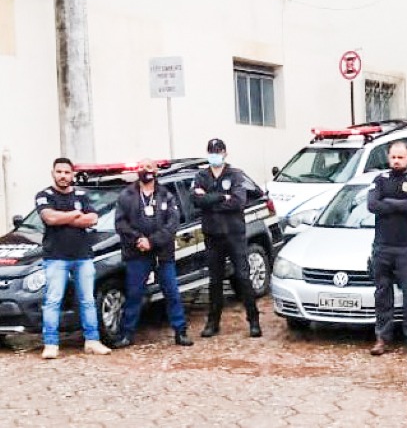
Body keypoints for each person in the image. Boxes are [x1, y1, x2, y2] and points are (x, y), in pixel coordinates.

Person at [35, 158, 112, 359]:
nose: (63, 176)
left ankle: (92, 341)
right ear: (53, 173)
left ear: (72, 174)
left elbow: (93, 218)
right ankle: (51, 344)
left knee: (87, 300)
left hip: (83, 256)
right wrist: (76, 215)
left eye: (66, 172)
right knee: (53, 301)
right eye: (59, 171)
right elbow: (49, 218)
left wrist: (64, 218)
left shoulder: (81, 194)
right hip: (56, 257)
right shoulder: (44, 195)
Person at [112, 159, 194, 348]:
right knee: (134, 294)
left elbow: (172, 224)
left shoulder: (166, 195)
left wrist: (152, 241)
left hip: (163, 253)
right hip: (136, 252)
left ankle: (180, 332)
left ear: (156, 171)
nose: (144, 170)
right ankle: (127, 334)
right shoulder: (126, 195)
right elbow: (120, 223)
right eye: (140, 167)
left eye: (148, 167)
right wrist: (138, 239)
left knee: (172, 292)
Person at [191, 138, 261, 338]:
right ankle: (213, 322)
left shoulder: (235, 175)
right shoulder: (201, 175)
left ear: (225, 153)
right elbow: (196, 201)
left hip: (234, 234)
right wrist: (222, 196)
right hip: (212, 235)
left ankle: (254, 320)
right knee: (215, 281)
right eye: (212, 151)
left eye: (218, 150)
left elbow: (238, 202)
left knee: (243, 277)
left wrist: (210, 199)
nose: (215, 154)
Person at [367, 141, 407, 357]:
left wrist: (387, 203)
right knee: (383, 294)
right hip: (382, 247)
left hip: (406, 248)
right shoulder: (379, 180)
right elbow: (372, 205)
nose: (396, 160)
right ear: (388, 158)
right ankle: (382, 338)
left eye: (401, 157)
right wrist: (399, 204)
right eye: (393, 157)